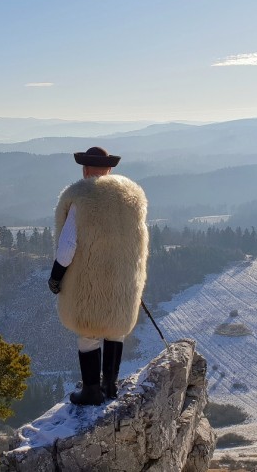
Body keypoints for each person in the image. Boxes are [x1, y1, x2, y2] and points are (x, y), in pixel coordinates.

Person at [49, 146, 149, 405]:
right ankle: (110, 385)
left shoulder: (81, 198)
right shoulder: (131, 200)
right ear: (109, 169)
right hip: (121, 280)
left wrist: (56, 277)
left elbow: (67, 246)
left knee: (88, 332)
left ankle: (91, 390)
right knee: (116, 328)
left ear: (84, 169)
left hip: (89, 281)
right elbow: (139, 245)